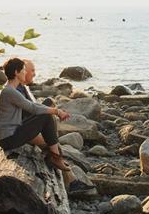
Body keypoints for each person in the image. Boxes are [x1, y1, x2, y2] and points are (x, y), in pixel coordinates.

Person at [16, 59, 93, 192]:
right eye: (32, 71)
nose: (35, 74)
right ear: (22, 72)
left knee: (49, 103)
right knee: (55, 148)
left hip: (30, 125)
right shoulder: (16, 91)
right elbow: (22, 118)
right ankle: (71, 181)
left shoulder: (23, 87)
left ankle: (68, 176)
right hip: (23, 131)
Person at [0, 58, 71, 171]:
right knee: (46, 116)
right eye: (24, 70)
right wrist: (57, 111)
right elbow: (33, 108)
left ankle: (54, 156)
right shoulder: (9, 91)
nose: (25, 72)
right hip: (8, 139)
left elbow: (32, 106)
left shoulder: (9, 89)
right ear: (16, 72)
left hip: (11, 133)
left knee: (46, 113)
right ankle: (56, 157)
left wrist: (54, 111)